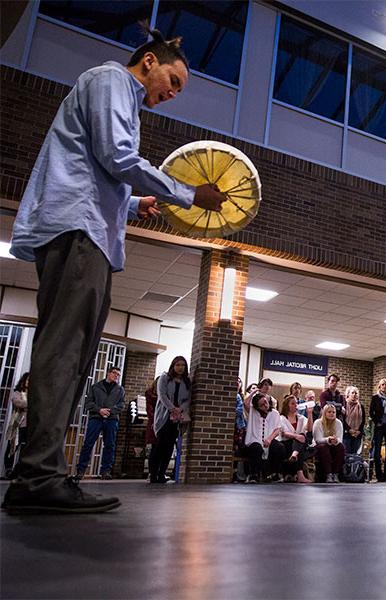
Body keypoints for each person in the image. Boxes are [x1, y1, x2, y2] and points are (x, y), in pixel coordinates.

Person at [2, 29, 226, 515]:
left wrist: (133, 202)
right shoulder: (108, 80)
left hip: (91, 232)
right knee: (64, 350)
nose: (172, 93)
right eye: (173, 80)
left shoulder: (125, 102)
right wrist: (187, 192)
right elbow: (117, 157)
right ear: (148, 62)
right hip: (78, 232)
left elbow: (100, 171)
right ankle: (38, 476)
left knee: (75, 353)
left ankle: (43, 474)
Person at [75, 366, 125, 480]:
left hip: (111, 419)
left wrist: (109, 411)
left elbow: (121, 405)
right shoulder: (95, 387)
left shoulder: (120, 389)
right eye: (114, 373)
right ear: (108, 373)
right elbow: (88, 403)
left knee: (110, 445)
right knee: (88, 443)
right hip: (96, 418)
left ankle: (106, 471)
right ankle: (81, 470)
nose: (116, 376)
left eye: (118, 374)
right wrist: (99, 410)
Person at [148, 357, 192, 484]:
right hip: (164, 415)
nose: (180, 367)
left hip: (177, 418)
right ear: (173, 365)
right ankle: (153, 474)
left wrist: (180, 409)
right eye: (178, 365)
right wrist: (172, 408)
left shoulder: (187, 381)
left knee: (169, 447)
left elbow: (188, 399)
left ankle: (162, 473)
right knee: (159, 445)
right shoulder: (165, 378)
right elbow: (162, 395)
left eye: (183, 365)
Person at [244, 392, 285, 483]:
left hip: (269, 439)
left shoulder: (275, 413)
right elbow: (246, 402)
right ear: (257, 407)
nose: (265, 405)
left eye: (265, 402)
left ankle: (275, 473)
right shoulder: (253, 412)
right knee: (256, 448)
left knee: (279, 447)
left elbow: (278, 429)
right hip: (255, 440)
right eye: (262, 405)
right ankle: (254, 475)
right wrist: (254, 392)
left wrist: (270, 439)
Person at [279, 395, 311, 483]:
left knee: (303, 437)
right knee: (300, 439)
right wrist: (297, 436)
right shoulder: (282, 418)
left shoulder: (300, 418)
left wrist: (309, 414)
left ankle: (294, 455)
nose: (295, 405)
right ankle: (300, 475)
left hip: (298, 446)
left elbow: (309, 428)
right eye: (293, 403)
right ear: (287, 406)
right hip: (287, 444)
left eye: (296, 403)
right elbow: (284, 433)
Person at [3, 373, 29, 479]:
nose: (29, 382)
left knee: (25, 450)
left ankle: (20, 472)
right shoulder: (17, 393)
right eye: (27, 380)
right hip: (17, 425)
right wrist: (30, 403)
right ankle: (8, 470)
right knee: (12, 448)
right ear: (23, 381)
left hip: (28, 426)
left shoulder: (33, 394)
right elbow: (19, 403)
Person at [370, 378, 386, 482]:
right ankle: (379, 475)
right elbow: (371, 413)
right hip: (380, 427)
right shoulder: (375, 398)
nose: (384, 386)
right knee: (377, 451)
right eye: (382, 385)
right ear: (379, 386)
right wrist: (377, 422)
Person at [314, 404, 345, 483]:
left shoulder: (338, 423)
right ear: (324, 413)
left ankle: (336, 474)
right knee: (324, 447)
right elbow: (318, 439)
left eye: (334, 412)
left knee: (341, 447)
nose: (332, 414)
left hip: (333, 445)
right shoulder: (318, 423)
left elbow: (340, 439)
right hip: (320, 446)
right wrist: (328, 439)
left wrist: (335, 441)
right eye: (329, 412)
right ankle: (329, 474)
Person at [341, 386, 366, 456]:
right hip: (346, 434)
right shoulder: (344, 405)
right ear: (348, 394)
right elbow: (342, 419)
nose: (354, 394)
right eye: (353, 393)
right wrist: (349, 430)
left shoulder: (361, 406)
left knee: (355, 455)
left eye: (356, 393)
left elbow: (363, 420)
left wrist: (359, 431)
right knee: (346, 455)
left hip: (357, 434)